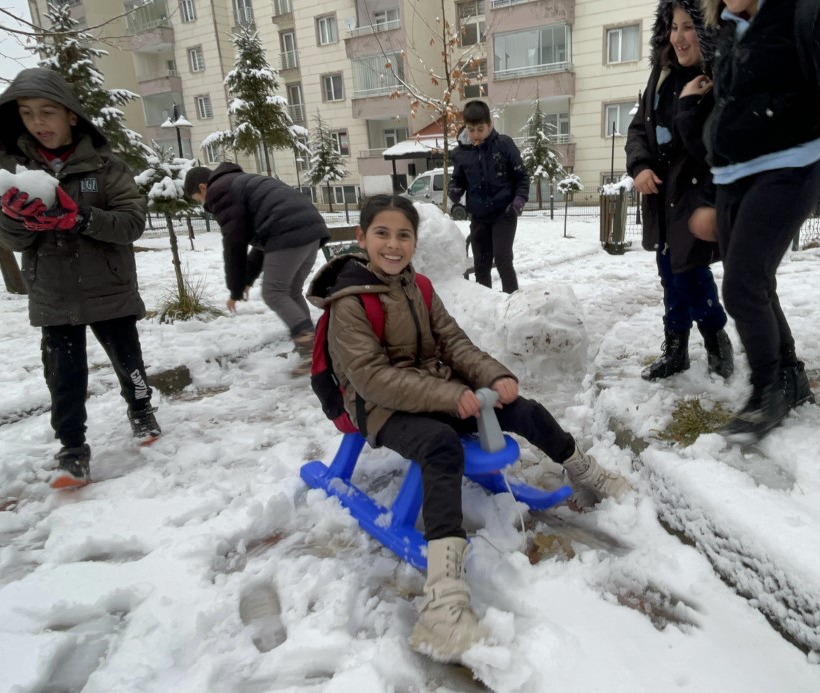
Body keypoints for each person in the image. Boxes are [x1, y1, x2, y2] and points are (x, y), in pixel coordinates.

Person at [308, 195, 630, 662]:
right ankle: (443, 604)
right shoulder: (349, 303)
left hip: (433, 391)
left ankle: (584, 469)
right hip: (377, 406)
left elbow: (453, 342)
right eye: (382, 234)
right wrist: (447, 397)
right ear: (361, 239)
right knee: (440, 446)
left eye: (404, 235)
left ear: (415, 242)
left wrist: (493, 375)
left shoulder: (417, 286)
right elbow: (371, 377)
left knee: (525, 409)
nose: (393, 245)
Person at [695, 0, 820, 442]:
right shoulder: (730, 27)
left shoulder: (811, 7)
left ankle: (767, 390)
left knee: (741, 285)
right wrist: (708, 194)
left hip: (791, 164)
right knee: (757, 282)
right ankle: (790, 376)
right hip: (732, 175)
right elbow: (725, 112)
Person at [0, 67, 160, 489]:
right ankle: (72, 449)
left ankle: (141, 410)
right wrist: (15, 220)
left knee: (128, 362)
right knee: (64, 376)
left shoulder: (105, 167)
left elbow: (131, 223)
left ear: (71, 116)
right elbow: (7, 238)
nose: (38, 122)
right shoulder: (19, 172)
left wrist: (80, 217)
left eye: (48, 111)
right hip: (54, 293)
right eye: (28, 114)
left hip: (108, 287)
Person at [626, 0, 734, 383]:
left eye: (688, 26)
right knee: (668, 272)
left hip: (696, 194)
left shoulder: (720, 79)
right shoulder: (662, 77)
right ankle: (676, 348)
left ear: (705, 30)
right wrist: (639, 167)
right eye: (673, 27)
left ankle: (714, 337)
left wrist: (690, 103)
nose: (679, 37)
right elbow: (639, 129)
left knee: (688, 270)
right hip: (661, 195)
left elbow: (710, 148)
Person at [184, 163, 330, 374]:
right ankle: (312, 350)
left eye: (199, 200)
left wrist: (234, 288)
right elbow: (261, 244)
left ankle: (310, 350)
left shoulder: (220, 191)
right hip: (310, 229)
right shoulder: (241, 182)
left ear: (204, 187)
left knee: (274, 293)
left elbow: (235, 243)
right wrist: (246, 280)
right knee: (289, 291)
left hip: (288, 231)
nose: (204, 205)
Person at [448, 100, 529, 294]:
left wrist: (519, 199)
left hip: (504, 213)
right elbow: (457, 179)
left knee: (502, 260)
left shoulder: (504, 145)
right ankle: (486, 306)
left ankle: (512, 302)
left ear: (490, 125)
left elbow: (522, 176)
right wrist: (454, 189)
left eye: (480, 129)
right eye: (471, 130)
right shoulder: (461, 153)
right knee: (481, 265)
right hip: (479, 217)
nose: (475, 135)